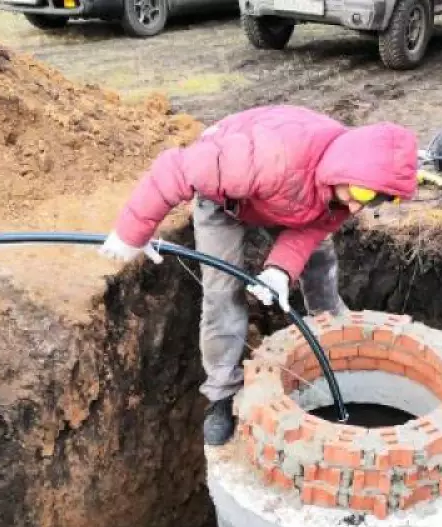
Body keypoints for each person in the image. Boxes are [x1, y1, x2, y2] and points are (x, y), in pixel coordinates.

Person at [98, 105, 419, 446]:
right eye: (362, 194)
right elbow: (175, 168)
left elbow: (309, 232)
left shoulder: (346, 191)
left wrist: (279, 270)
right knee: (223, 294)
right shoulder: (265, 159)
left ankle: (332, 336)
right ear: (344, 167)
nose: (357, 207)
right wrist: (131, 232)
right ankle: (222, 394)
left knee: (320, 259)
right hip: (225, 202)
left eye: (375, 201)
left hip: (291, 201)